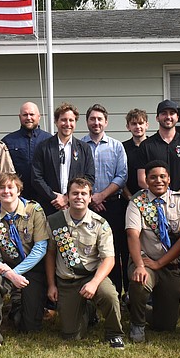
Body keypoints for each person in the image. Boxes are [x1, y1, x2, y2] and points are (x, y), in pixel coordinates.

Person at [45, 177, 125, 348]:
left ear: (90, 197)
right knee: (71, 336)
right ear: (67, 196)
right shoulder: (54, 221)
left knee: (109, 295)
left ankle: (114, 333)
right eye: (75, 193)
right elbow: (50, 254)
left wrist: (95, 283)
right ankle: (88, 311)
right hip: (67, 281)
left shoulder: (100, 224)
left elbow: (109, 259)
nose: (79, 197)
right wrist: (51, 285)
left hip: (92, 276)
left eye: (83, 194)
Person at [0, 172, 50, 352]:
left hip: (31, 269)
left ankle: (16, 308)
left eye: (10, 187)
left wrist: (16, 273)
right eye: (2, 188)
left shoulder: (34, 211)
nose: (6, 191)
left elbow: (40, 248)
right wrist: (9, 273)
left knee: (28, 327)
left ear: (18, 190)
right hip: (7, 269)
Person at [125, 161, 180, 342]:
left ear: (169, 179)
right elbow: (132, 235)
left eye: (162, 176)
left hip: (170, 264)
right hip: (145, 261)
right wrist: (139, 265)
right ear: (146, 180)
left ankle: (134, 305)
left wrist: (160, 263)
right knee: (140, 280)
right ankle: (137, 324)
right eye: (153, 177)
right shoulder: (137, 203)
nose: (158, 180)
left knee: (166, 326)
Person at [82, 104, 129, 295]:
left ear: (106, 122)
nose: (96, 122)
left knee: (115, 250)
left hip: (113, 206)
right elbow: (76, 176)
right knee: (90, 251)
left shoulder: (116, 146)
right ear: (87, 122)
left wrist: (102, 195)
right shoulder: (80, 146)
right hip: (87, 208)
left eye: (100, 119)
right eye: (92, 119)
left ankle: (118, 294)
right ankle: (91, 293)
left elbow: (122, 175)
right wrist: (92, 198)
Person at [31, 102, 96, 215]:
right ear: (56, 122)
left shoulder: (84, 148)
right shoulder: (43, 147)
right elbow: (36, 177)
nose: (67, 124)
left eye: (71, 120)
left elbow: (89, 177)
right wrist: (54, 197)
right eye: (63, 120)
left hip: (75, 207)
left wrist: (67, 197)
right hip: (49, 206)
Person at [138, 100, 180, 200]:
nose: (168, 117)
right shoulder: (146, 145)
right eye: (164, 113)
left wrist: (176, 197)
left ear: (177, 117)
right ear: (157, 118)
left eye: (172, 113)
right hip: (154, 202)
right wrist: (160, 196)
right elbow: (141, 179)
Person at [2, 101, 52, 203]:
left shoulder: (50, 140)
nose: (28, 117)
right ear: (20, 117)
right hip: (17, 197)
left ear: (39, 116)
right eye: (25, 115)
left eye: (32, 114)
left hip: (45, 197)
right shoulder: (8, 141)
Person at [122, 108, 150, 199]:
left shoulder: (154, 146)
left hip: (152, 197)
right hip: (129, 199)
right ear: (128, 127)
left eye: (141, 123)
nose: (138, 127)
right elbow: (120, 175)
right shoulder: (122, 148)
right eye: (134, 124)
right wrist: (129, 197)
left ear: (147, 125)